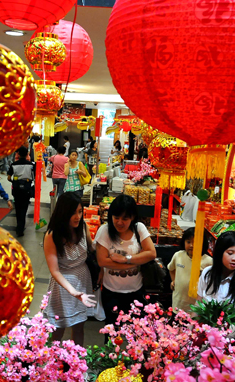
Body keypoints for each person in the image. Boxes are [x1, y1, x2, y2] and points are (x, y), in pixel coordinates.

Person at [44, 192, 97, 346]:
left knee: (79, 326)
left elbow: (92, 248)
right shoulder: (52, 235)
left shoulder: (83, 226)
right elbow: (55, 271)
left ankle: (77, 364)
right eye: (73, 213)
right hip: (63, 285)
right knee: (58, 329)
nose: (77, 217)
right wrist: (73, 291)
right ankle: (52, 365)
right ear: (63, 213)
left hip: (83, 278)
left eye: (80, 212)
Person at [95, 194, 157, 324]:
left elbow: (151, 253)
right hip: (111, 292)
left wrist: (125, 259)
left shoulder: (139, 228)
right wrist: (136, 261)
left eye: (125, 218)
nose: (119, 222)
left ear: (132, 217)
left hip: (136, 292)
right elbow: (102, 261)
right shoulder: (104, 231)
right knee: (112, 333)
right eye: (116, 217)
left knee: (135, 333)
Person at [197, 231, 235, 338]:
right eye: (230, 253)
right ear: (219, 252)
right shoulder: (207, 273)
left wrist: (218, 343)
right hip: (202, 332)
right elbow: (198, 304)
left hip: (225, 338)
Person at [168, 227, 213, 313]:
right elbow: (171, 269)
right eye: (188, 242)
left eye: (196, 242)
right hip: (178, 304)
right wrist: (173, 280)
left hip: (196, 308)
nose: (192, 245)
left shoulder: (208, 261)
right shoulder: (178, 256)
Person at [8, 146, 35, 237]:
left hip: (16, 189)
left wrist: (14, 181)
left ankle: (18, 226)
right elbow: (34, 177)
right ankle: (20, 228)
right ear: (27, 154)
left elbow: (8, 177)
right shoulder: (31, 164)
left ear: (18, 154)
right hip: (26, 189)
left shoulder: (13, 164)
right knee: (24, 208)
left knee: (18, 207)